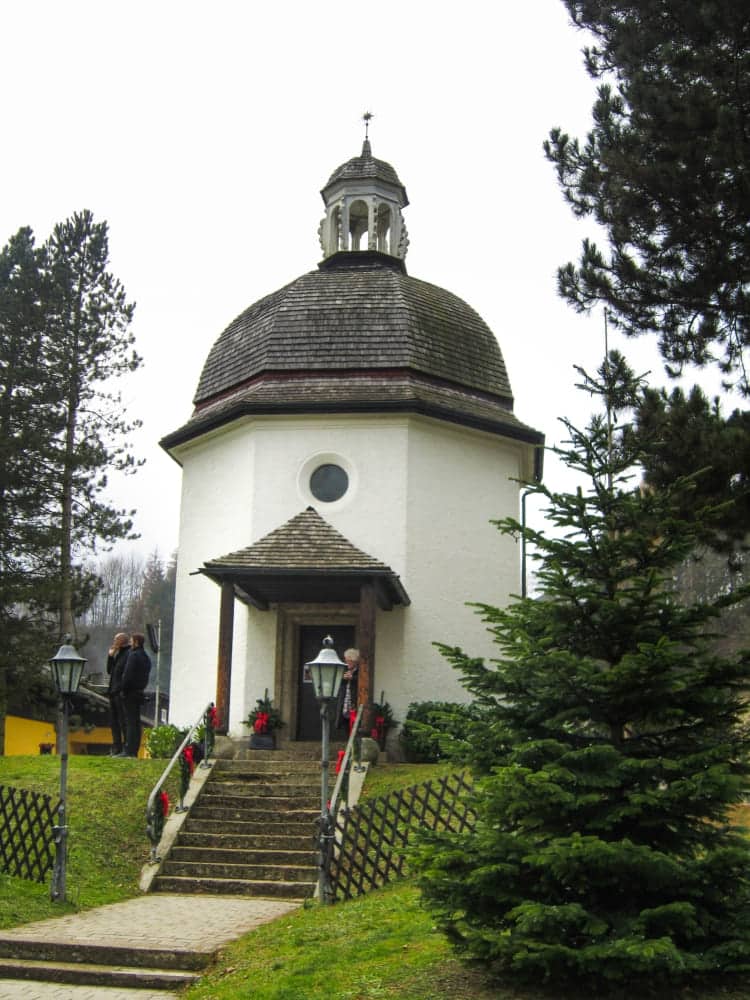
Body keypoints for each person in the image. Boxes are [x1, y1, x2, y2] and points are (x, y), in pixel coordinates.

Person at [118, 632, 151, 758]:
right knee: (136, 722)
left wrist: (123, 689)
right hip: (140, 691)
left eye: (131, 641)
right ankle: (135, 749)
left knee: (130, 722)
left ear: (136, 642)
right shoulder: (146, 657)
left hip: (130, 692)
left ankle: (129, 750)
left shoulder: (133, 655)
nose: (130, 643)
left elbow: (127, 674)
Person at [106, 633, 130, 756]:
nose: (114, 641)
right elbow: (109, 671)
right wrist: (110, 656)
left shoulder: (128, 654)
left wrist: (122, 690)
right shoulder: (118, 654)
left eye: (116, 639)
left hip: (120, 692)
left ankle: (125, 748)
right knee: (113, 722)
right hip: (112, 692)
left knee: (123, 721)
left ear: (122, 641)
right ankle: (116, 747)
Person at [339, 648, 360, 732]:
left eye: (349, 660)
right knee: (346, 727)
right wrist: (342, 678)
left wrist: (352, 678)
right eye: (346, 660)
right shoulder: (344, 670)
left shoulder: (360, 671)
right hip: (344, 705)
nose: (346, 662)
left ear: (354, 661)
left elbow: (362, 682)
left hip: (354, 705)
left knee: (355, 728)